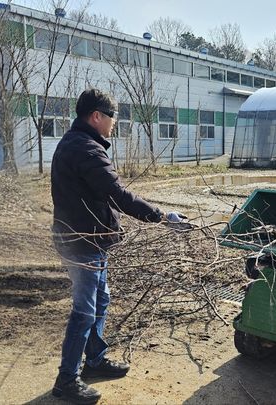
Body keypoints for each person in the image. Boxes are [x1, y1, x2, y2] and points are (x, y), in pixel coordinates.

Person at [50, 88, 185, 404]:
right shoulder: (87, 150)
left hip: (85, 239)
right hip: (82, 243)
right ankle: (67, 380)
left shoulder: (76, 143)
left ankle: (94, 361)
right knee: (84, 310)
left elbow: (102, 195)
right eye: (112, 118)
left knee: (101, 299)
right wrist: (162, 216)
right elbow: (118, 195)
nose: (113, 124)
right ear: (96, 116)